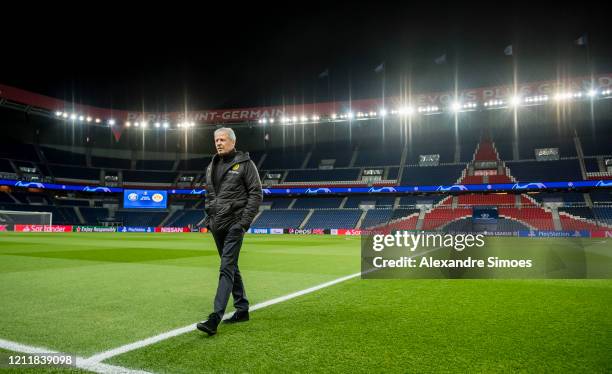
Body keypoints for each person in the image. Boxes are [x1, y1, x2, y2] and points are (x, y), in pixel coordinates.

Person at [196, 127, 262, 336]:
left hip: (234, 224)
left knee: (226, 268)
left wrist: (243, 223)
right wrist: (208, 218)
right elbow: (210, 196)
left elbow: (256, 193)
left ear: (233, 141)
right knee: (231, 267)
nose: (218, 143)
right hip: (217, 224)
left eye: (223, 139)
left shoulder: (245, 164)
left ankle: (215, 318)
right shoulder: (211, 165)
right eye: (216, 140)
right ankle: (242, 309)